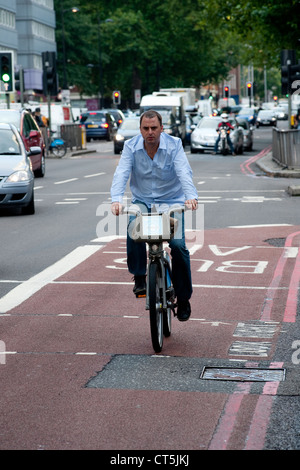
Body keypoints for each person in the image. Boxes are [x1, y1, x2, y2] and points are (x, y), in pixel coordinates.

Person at [110, 109, 198, 321]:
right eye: (145, 128)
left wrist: (190, 196)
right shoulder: (131, 147)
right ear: (140, 129)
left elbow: (184, 172)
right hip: (143, 200)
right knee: (133, 231)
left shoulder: (174, 145)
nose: (150, 132)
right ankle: (140, 276)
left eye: (154, 128)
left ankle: (184, 298)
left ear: (161, 128)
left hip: (172, 201)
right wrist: (116, 199)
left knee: (178, 246)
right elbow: (121, 173)